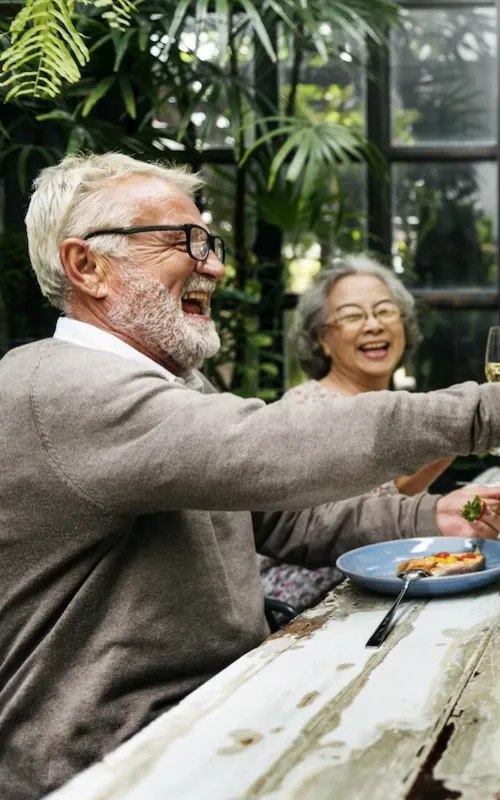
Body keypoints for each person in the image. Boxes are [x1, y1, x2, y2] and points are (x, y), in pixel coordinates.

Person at [2, 153, 500, 800]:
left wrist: (444, 515)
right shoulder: (57, 387)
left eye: (211, 243)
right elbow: (269, 446)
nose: (213, 264)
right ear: (87, 266)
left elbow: (289, 520)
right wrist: (483, 412)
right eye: (183, 242)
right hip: (102, 767)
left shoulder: (173, 383)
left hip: (222, 715)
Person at [260, 257, 453, 611]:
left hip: (380, 591)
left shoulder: (396, 405)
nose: (373, 325)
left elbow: (389, 493)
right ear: (324, 339)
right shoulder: (307, 410)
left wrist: (456, 436)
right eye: (352, 316)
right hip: (309, 610)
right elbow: (329, 527)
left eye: (385, 311)